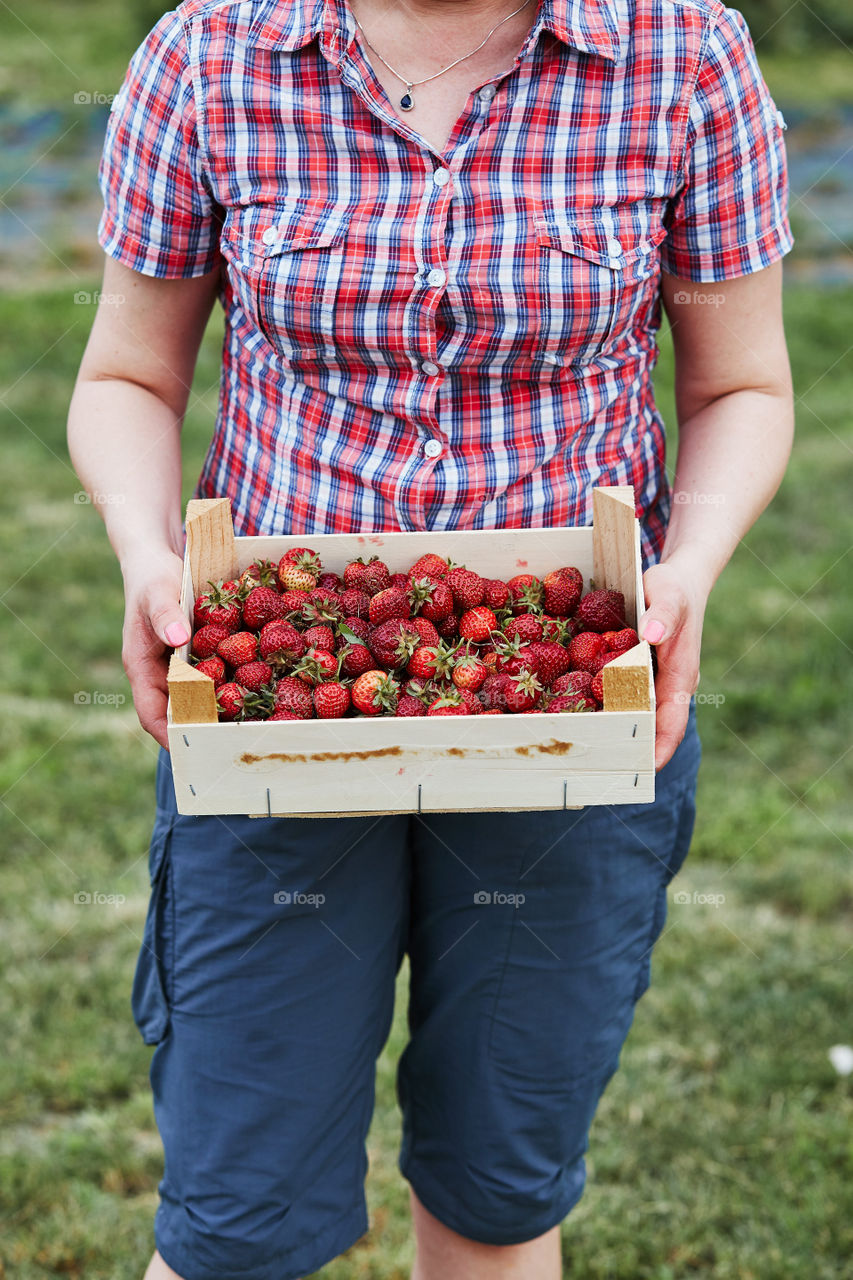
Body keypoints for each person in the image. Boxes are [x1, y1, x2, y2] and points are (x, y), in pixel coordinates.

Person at [67, 0, 794, 1275]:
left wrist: (684, 570)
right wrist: (148, 553)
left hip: (570, 703)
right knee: (237, 1212)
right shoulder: (212, 49)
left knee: (497, 1190)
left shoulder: (682, 49)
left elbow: (741, 383)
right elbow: (130, 371)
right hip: (279, 722)